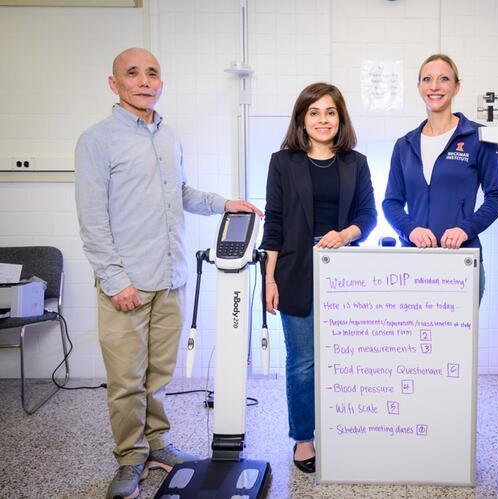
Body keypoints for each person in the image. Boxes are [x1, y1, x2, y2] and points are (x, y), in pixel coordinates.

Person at [75, 48, 263, 499]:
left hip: (170, 276)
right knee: (125, 379)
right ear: (113, 82)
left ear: (162, 82)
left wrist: (224, 204)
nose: (144, 81)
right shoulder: (96, 140)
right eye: (133, 73)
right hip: (127, 282)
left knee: (158, 375)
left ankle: (157, 443)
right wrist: (115, 279)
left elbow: (179, 192)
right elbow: (92, 219)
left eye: (153, 73)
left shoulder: (167, 135)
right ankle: (129, 457)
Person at [260, 82, 377, 473]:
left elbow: (368, 216)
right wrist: (269, 279)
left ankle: (347, 431)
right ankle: (304, 439)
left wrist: (345, 235)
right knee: (303, 361)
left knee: (346, 359)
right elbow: (273, 224)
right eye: (314, 112)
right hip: (295, 267)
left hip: (343, 268)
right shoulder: (283, 162)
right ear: (302, 119)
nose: (323, 119)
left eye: (330, 112)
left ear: (340, 118)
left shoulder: (356, 163)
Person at [382, 54, 498, 300]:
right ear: (419, 87)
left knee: (458, 339)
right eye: (427, 79)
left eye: (443, 79)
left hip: (461, 259)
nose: (435, 86)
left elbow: (497, 197)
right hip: (413, 260)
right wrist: (409, 230)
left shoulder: (478, 137)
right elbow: (391, 202)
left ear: (456, 87)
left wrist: (465, 229)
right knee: (411, 338)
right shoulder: (404, 145)